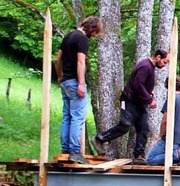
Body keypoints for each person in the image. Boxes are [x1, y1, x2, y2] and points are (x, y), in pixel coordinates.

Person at [91, 49, 169, 164]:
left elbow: (141, 85)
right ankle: (100, 139)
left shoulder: (149, 67)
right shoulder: (146, 66)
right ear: (158, 57)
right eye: (164, 62)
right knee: (125, 126)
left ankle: (138, 156)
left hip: (139, 103)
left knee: (143, 128)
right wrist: (149, 99)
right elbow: (138, 85)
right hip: (129, 100)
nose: (164, 65)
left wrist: (149, 94)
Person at [54, 16, 103, 164]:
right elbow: (81, 62)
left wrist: (60, 76)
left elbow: (57, 60)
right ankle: (75, 151)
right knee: (77, 117)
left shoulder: (69, 35)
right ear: (92, 29)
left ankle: (66, 149)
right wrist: (81, 83)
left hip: (65, 82)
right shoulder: (82, 39)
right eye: (96, 32)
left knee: (67, 116)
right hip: (75, 82)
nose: (95, 36)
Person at [145, 76, 180, 166]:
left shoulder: (172, 99)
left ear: (168, 87)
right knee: (161, 160)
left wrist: (160, 136)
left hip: (172, 139)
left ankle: (177, 156)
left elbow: (165, 121)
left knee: (150, 159)